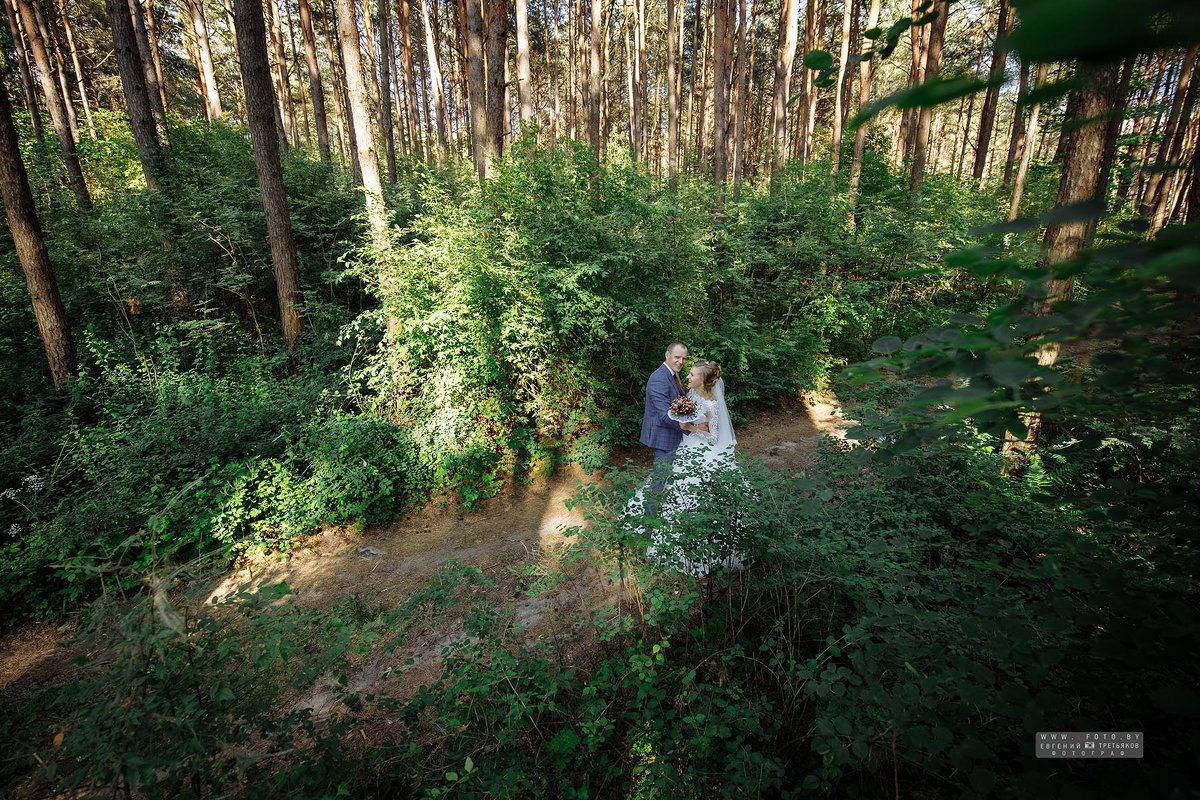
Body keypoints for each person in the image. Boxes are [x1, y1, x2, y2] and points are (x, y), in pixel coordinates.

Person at [630, 359, 746, 577]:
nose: (688, 377)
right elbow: (686, 415)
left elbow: (712, 437)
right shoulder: (691, 396)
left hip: (702, 452)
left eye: (692, 375)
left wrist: (690, 428)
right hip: (686, 447)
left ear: (702, 380)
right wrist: (685, 422)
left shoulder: (711, 404)